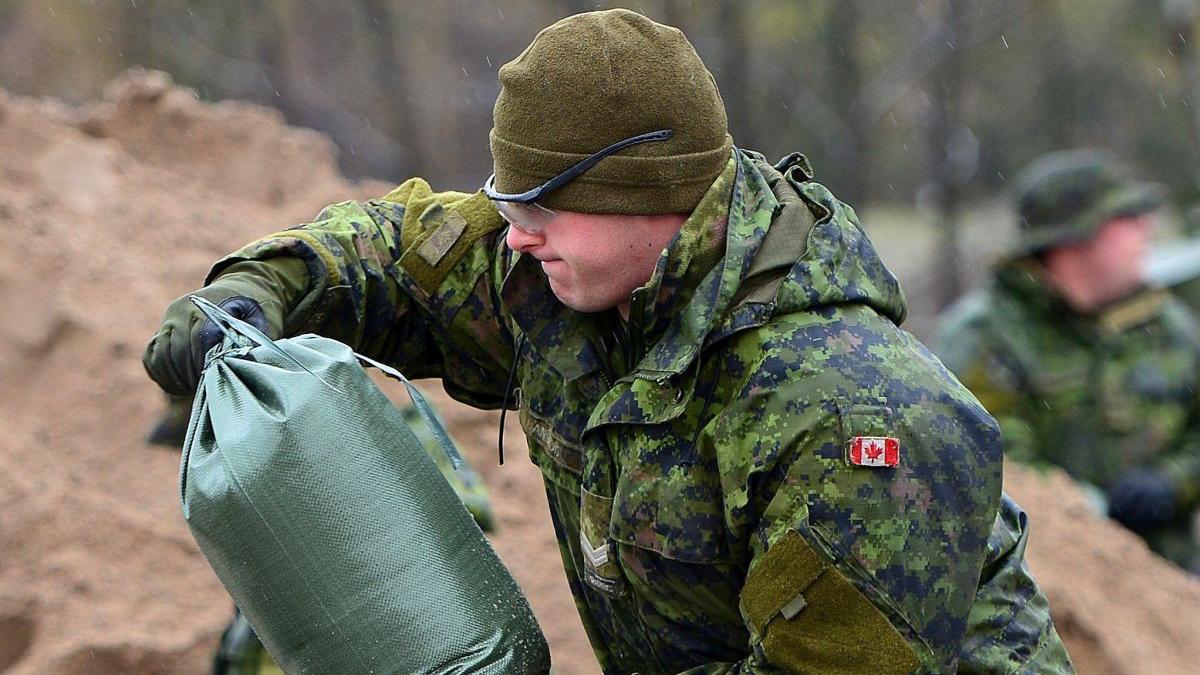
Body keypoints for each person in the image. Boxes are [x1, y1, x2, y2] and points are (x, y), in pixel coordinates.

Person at [145, 9, 1072, 673]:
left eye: (539, 207)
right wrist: (259, 287)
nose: (516, 233)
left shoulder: (853, 411)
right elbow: (399, 250)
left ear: (647, 192)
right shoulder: (571, 275)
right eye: (509, 204)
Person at [937, 149, 1200, 573]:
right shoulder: (985, 337)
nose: (1146, 229)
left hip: (1172, 591)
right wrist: (1085, 510)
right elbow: (991, 472)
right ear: (1079, 235)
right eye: (1128, 217)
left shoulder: (1165, 325)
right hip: (1046, 596)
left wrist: (1172, 483)